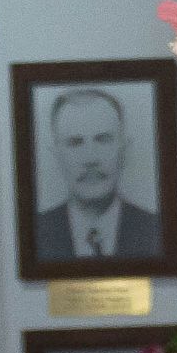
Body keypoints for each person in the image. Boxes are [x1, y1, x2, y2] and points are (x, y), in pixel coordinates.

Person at [34, 87, 162, 267]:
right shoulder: (34, 234)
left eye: (103, 140)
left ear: (124, 149)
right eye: (75, 143)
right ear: (56, 155)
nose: (90, 158)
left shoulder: (156, 230)